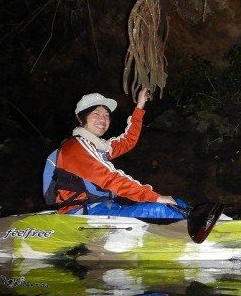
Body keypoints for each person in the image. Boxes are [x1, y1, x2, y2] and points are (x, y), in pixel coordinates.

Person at [50, 89, 187, 218]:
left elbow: (128, 141)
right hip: (82, 212)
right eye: (96, 113)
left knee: (177, 204)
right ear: (81, 119)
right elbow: (110, 178)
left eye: (106, 115)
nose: (102, 119)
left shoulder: (98, 147)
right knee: (164, 210)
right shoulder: (76, 147)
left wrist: (139, 106)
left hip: (104, 207)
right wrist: (154, 197)